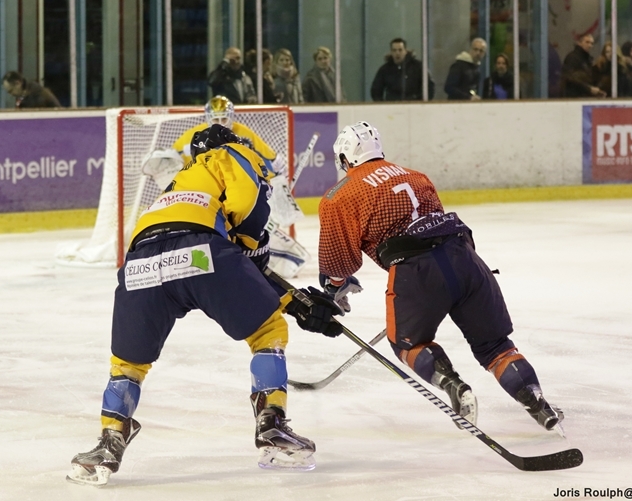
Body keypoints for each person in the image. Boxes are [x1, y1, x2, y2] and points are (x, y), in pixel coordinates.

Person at [66, 124, 343, 486]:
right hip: (201, 251)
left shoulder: (177, 184)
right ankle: (272, 426)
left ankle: (109, 441)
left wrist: (291, 297)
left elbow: (220, 254)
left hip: (139, 264)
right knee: (267, 330)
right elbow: (246, 225)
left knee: (128, 364)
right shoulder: (232, 155)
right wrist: (294, 303)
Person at [315, 121, 565, 434]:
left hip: (415, 273)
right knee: (497, 347)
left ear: (344, 159)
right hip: (465, 259)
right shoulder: (416, 176)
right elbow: (439, 224)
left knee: (408, 344)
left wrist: (335, 287)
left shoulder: (339, 196)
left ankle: (454, 385)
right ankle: (538, 403)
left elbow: (339, 262)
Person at [140, 96, 311, 279]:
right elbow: (173, 166)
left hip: (233, 193)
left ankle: (280, 260)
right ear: (207, 117)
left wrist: (279, 183)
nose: (220, 122)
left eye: (223, 118)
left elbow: (271, 163)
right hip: (206, 197)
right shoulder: (193, 137)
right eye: (216, 118)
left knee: (250, 226)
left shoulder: (243, 135)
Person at [559, 33, 606, 98]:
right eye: (587, 42)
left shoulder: (588, 59)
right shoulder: (572, 58)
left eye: (592, 43)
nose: (590, 45)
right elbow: (571, 78)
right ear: (579, 43)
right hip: (573, 96)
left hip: (583, 95)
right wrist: (589, 89)